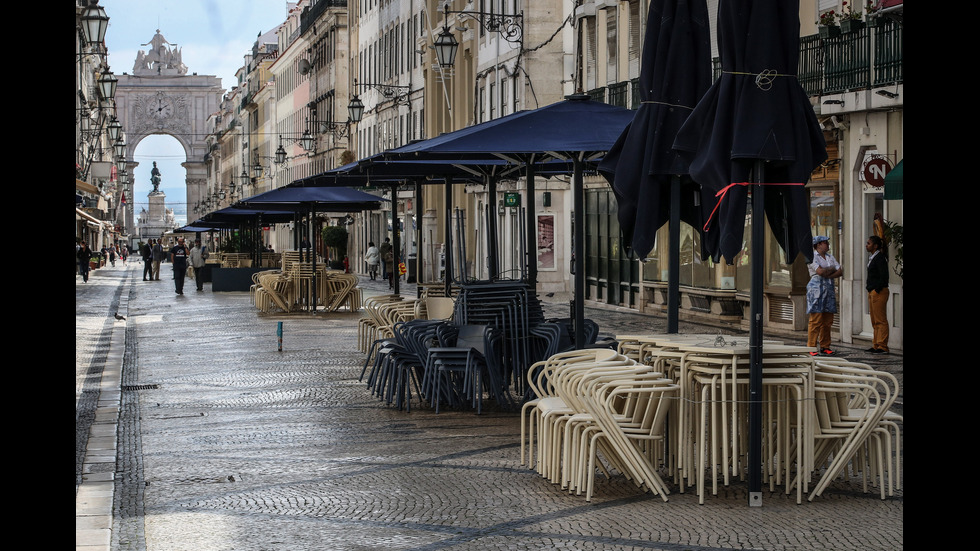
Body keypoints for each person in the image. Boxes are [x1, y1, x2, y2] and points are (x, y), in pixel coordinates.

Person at [806, 235, 842, 356]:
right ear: (819, 244)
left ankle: (825, 345)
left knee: (828, 321)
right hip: (816, 290)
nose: (827, 244)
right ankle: (811, 346)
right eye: (825, 242)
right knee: (815, 319)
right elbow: (819, 271)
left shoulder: (830, 257)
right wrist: (831, 270)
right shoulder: (812, 256)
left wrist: (828, 273)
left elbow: (840, 270)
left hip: (829, 290)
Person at [865, 235, 889, 354]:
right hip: (872, 291)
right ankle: (876, 344)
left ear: (875, 246)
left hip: (878, 291)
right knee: (874, 320)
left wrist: (876, 289)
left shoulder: (880, 258)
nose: (866, 245)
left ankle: (882, 346)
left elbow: (884, 276)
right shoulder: (872, 257)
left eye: (868, 243)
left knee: (880, 320)